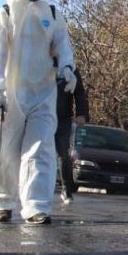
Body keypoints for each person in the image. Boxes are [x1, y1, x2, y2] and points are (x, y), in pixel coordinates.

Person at [0, 0, 77, 225]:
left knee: (40, 149)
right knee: (6, 150)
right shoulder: (6, 12)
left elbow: (63, 46)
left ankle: (37, 206)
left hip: (42, 93)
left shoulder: (53, 15)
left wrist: (68, 68)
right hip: (11, 94)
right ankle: (3, 202)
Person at [55, 66, 89, 204]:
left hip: (62, 117)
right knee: (38, 153)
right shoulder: (40, 60)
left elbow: (80, 92)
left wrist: (81, 113)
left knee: (63, 153)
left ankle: (66, 189)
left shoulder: (70, 68)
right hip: (40, 115)